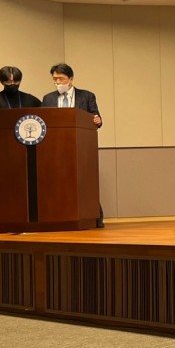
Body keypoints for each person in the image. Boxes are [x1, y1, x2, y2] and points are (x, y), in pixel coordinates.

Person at [43, 63, 105, 226]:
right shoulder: (48, 98)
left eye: (61, 79)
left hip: (80, 147)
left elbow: (95, 119)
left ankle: (94, 217)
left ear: (70, 79)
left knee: (84, 182)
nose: (58, 82)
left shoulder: (87, 96)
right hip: (56, 148)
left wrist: (98, 121)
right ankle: (61, 215)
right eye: (55, 79)